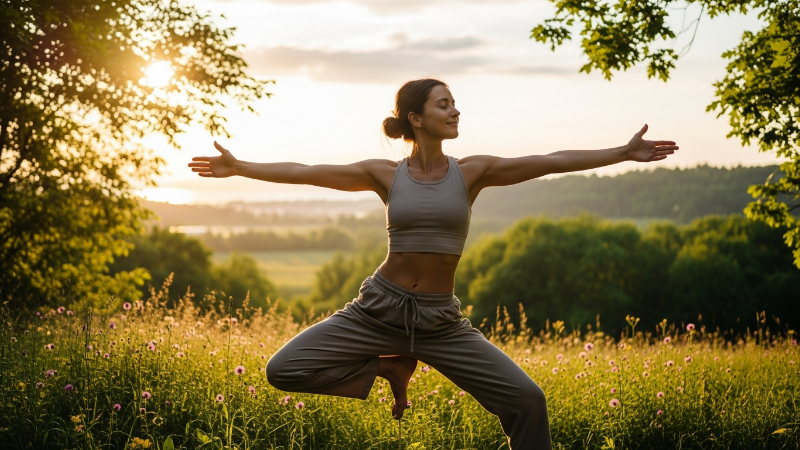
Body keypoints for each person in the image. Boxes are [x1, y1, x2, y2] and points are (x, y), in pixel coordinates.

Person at [188, 78, 678, 449]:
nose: (455, 109)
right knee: (284, 368)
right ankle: (389, 368)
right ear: (415, 118)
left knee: (528, 401)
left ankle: (403, 363)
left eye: (454, 102)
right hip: (376, 310)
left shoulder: (472, 172)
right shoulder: (383, 174)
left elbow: (549, 159)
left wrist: (621, 152)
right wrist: (240, 166)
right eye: (444, 104)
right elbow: (307, 173)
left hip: (441, 323)